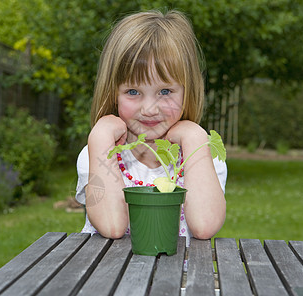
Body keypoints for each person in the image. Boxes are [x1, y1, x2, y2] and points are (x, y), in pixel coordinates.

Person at [75, 10, 227, 242]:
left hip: (184, 277)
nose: (149, 109)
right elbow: (112, 226)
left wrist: (195, 136)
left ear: (188, 91)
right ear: (113, 93)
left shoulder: (200, 154)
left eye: (165, 91)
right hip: (110, 276)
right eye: (133, 92)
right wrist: (100, 136)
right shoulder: (97, 153)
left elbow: (204, 227)